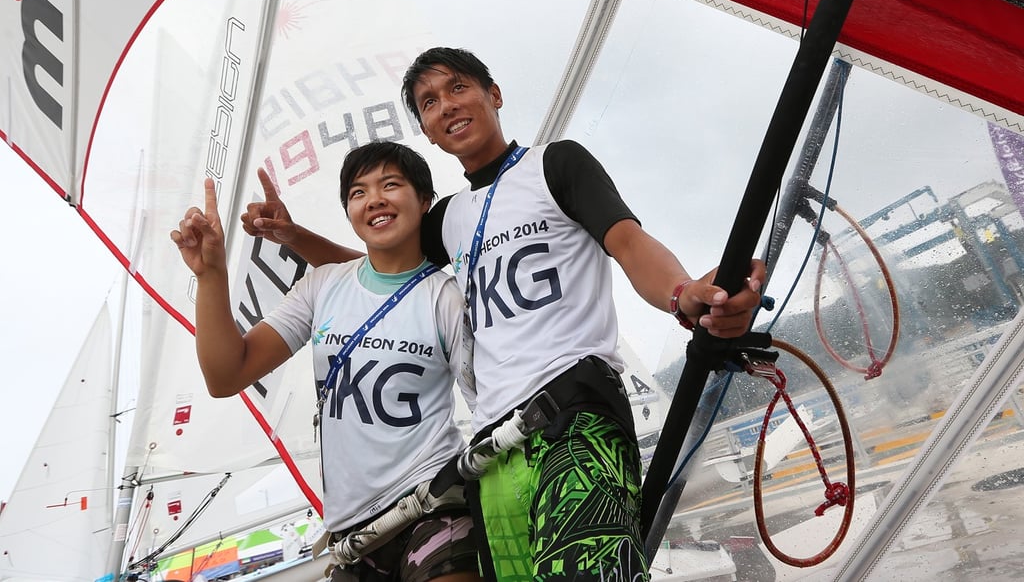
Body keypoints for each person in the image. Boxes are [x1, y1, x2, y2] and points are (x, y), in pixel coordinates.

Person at [242, 47, 766, 581]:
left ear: (494, 95)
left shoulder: (556, 165)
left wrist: (682, 294)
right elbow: (379, 271)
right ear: (425, 130)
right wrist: (292, 235)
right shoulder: (447, 217)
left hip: (575, 419)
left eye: (457, 88)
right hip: (492, 452)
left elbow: (628, 243)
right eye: (428, 102)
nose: (445, 106)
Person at [171, 141, 482, 582]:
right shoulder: (321, 285)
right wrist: (211, 274)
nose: (374, 199)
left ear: (425, 201)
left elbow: (487, 402)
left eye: (391, 185)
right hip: (352, 536)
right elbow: (226, 375)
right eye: (358, 192)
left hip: (434, 505)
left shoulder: (447, 298)